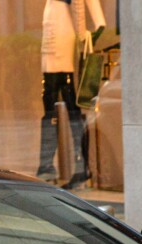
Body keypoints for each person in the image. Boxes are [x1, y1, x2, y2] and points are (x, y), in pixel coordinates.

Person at [36, 0, 105, 188]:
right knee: (50, 97)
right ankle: (47, 165)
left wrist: (97, 25)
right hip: (50, 23)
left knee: (65, 93)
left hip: (62, 27)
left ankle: (79, 164)